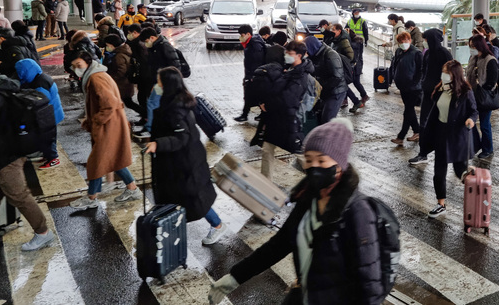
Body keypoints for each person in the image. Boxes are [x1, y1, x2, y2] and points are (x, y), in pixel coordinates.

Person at [208, 118, 383, 305]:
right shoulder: (308, 198)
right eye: (309, 159)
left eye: (321, 160)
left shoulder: (358, 212)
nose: (313, 166)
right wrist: (235, 277)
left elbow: (369, 283)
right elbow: (281, 244)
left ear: (339, 166)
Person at [144, 67, 226, 245]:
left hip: (185, 163)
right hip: (177, 161)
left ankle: (217, 225)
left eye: (159, 82)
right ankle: (169, 235)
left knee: (193, 200)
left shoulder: (176, 107)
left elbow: (182, 136)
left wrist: (159, 144)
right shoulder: (174, 100)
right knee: (176, 199)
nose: (156, 85)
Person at [68, 51, 142, 210]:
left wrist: (95, 121)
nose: (76, 68)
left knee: (96, 162)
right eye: (74, 66)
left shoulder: (96, 78)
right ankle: (132, 188)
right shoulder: (96, 74)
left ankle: (91, 198)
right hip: (112, 124)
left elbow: (110, 103)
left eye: (79, 65)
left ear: (88, 63)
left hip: (108, 126)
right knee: (113, 159)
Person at [0, 74, 55, 251]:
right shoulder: (4, 89)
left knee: (19, 195)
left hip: (7, 157)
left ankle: (43, 232)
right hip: (8, 152)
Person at [422, 60, 477, 217]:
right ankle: (441, 204)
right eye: (443, 71)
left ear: (455, 74)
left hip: (458, 134)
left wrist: (471, 120)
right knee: (439, 171)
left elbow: (473, 111)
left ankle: (475, 199)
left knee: (460, 170)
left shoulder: (466, 91)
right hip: (441, 133)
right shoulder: (441, 89)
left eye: (447, 72)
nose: (444, 75)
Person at [259, 41, 313, 180]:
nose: (286, 56)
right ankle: (265, 184)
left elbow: (288, 99)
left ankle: (319, 181)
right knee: (267, 150)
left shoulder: (301, 76)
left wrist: (268, 105)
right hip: (276, 119)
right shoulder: (289, 69)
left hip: (288, 121)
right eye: (286, 53)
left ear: (299, 56)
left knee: (299, 154)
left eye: (290, 54)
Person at [410, 29, 453, 165]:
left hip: (440, 94)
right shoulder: (427, 53)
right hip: (427, 93)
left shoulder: (444, 53)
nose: (425, 42)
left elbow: (452, 72)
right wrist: (423, 82)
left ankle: (446, 152)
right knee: (424, 123)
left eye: (427, 39)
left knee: (442, 124)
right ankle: (423, 153)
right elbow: (424, 69)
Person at [15, 59, 64, 169]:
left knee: (47, 138)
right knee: (47, 138)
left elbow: (41, 101)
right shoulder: (40, 77)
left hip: (48, 116)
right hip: (52, 114)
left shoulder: (40, 83)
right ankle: (48, 155)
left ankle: (53, 159)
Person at [138, 27, 180, 134]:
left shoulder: (164, 46)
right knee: (154, 103)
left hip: (164, 82)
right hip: (158, 81)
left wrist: (167, 83)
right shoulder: (154, 47)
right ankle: (153, 126)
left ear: (152, 37)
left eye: (146, 41)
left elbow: (175, 65)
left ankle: (151, 128)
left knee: (153, 103)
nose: (146, 44)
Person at [465, 35, 498, 161]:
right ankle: (475, 145)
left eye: (473, 46)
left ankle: (488, 149)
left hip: (483, 97)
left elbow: (492, 81)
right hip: (471, 95)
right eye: (470, 46)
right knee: (470, 122)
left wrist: (482, 90)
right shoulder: (473, 58)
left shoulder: (490, 60)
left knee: (484, 124)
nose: (471, 49)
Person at [389, 32, 422, 146]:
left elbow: (421, 70)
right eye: (401, 42)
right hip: (402, 86)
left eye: (405, 41)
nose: (403, 43)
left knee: (407, 111)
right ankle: (417, 131)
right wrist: (392, 77)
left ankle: (401, 136)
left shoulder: (417, 53)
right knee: (409, 110)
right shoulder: (399, 51)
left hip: (414, 88)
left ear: (410, 40)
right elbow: (394, 65)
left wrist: (415, 82)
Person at [304, 36, 347, 124]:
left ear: (312, 47)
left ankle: (331, 137)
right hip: (325, 91)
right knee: (320, 117)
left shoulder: (331, 55)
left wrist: (322, 86)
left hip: (336, 92)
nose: (306, 53)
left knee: (327, 119)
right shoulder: (315, 54)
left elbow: (337, 77)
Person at [234, 24, 266, 122]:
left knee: (255, 96)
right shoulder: (250, 43)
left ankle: (249, 115)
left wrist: (252, 76)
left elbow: (256, 61)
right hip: (252, 74)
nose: (241, 37)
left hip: (255, 75)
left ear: (248, 34)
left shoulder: (255, 45)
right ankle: (249, 114)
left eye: (242, 35)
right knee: (251, 95)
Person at [104, 34, 142, 117]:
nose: (107, 47)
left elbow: (121, 71)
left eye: (107, 45)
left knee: (128, 103)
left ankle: (145, 114)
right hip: (125, 83)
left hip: (122, 84)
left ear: (112, 44)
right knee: (127, 103)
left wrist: (110, 78)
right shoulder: (124, 50)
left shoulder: (119, 56)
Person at [125, 24, 150, 122]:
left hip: (144, 75)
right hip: (143, 75)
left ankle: (147, 118)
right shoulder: (136, 42)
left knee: (143, 97)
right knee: (142, 97)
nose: (128, 35)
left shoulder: (139, 44)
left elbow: (142, 60)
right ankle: (146, 117)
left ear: (135, 32)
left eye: (129, 33)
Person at [348, 29, 369, 108]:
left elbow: (354, 51)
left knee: (356, 81)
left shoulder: (356, 43)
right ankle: (364, 95)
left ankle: (364, 95)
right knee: (355, 81)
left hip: (356, 65)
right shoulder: (357, 42)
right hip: (356, 64)